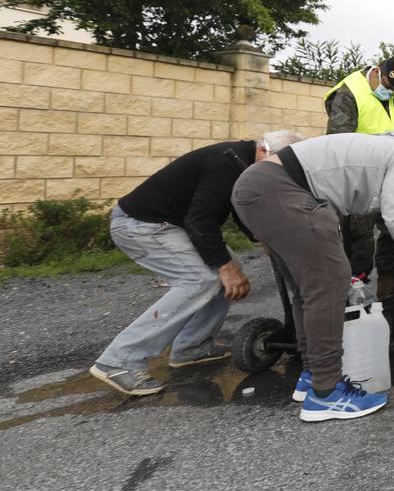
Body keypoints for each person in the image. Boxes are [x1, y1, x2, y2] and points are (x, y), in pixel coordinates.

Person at [231, 132, 394, 422]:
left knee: (310, 288)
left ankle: (313, 375)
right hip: (279, 189)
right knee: (329, 283)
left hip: (261, 188)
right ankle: (326, 393)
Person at [89, 130, 303, 396]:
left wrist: (264, 239)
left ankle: (192, 347)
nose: (278, 175)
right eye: (279, 166)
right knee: (204, 278)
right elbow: (200, 221)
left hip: (171, 225)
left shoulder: (242, 162)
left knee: (229, 264)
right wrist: (225, 269)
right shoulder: (227, 163)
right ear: (265, 151)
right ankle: (119, 361)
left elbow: (238, 209)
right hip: (141, 226)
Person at [323, 53, 394, 306]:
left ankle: (388, 296)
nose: (390, 91)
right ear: (378, 71)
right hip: (359, 178)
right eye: (388, 85)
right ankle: (356, 299)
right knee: (359, 241)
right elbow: (338, 142)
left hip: (390, 176)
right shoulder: (348, 94)